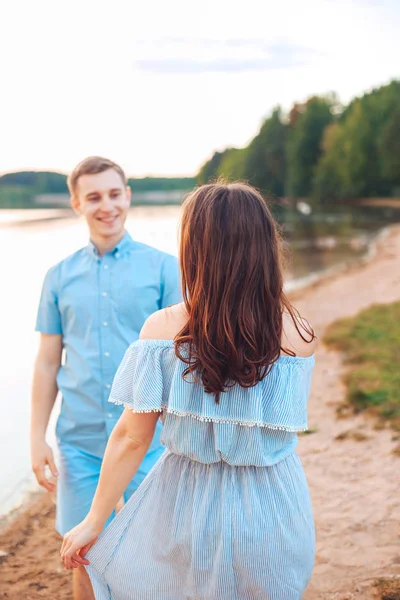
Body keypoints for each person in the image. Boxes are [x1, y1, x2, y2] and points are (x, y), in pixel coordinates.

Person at [61, 182, 317, 600]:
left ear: (194, 247)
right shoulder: (300, 334)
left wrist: (95, 519)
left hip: (184, 502)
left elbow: (131, 436)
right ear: (264, 246)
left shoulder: (162, 330)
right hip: (274, 506)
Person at [31, 156, 181, 600]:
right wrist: (36, 437)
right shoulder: (57, 276)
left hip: (150, 441)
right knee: (83, 553)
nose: (107, 206)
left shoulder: (165, 268)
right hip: (78, 442)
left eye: (114, 194)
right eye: (94, 197)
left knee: (153, 554)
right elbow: (46, 362)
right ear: (77, 203)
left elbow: (184, 355)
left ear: (128, 196)